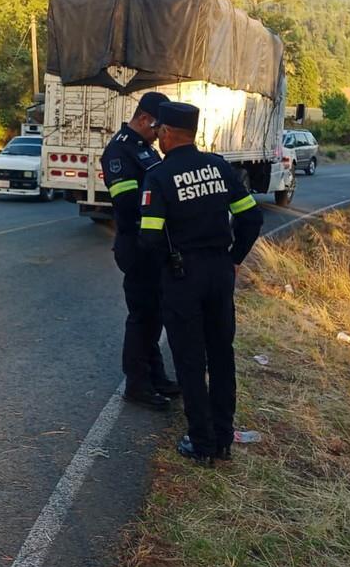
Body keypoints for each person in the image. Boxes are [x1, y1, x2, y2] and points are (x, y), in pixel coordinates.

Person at [139, 101, 264, 465]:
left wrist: (167, 266)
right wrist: (235, 257)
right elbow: (251, 218)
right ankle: (223, 438)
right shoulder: (219, 167)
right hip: (220, 271)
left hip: (183, 277)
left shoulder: (159, 176)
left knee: (190, 360)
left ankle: (202, 442)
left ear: (164, 133)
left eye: (159, 132)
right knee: (221, 354)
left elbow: (149, 238)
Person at [101, 91, 182, 410]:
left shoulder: (144, 149)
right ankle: (136, 384)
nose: (161, 134)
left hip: (153, 243)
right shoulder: (119, 151)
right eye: (159, 127)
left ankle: (156, 376)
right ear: (146, 119)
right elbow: (127, 203)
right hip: (136, 244)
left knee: (154, 314)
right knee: (142, 316)